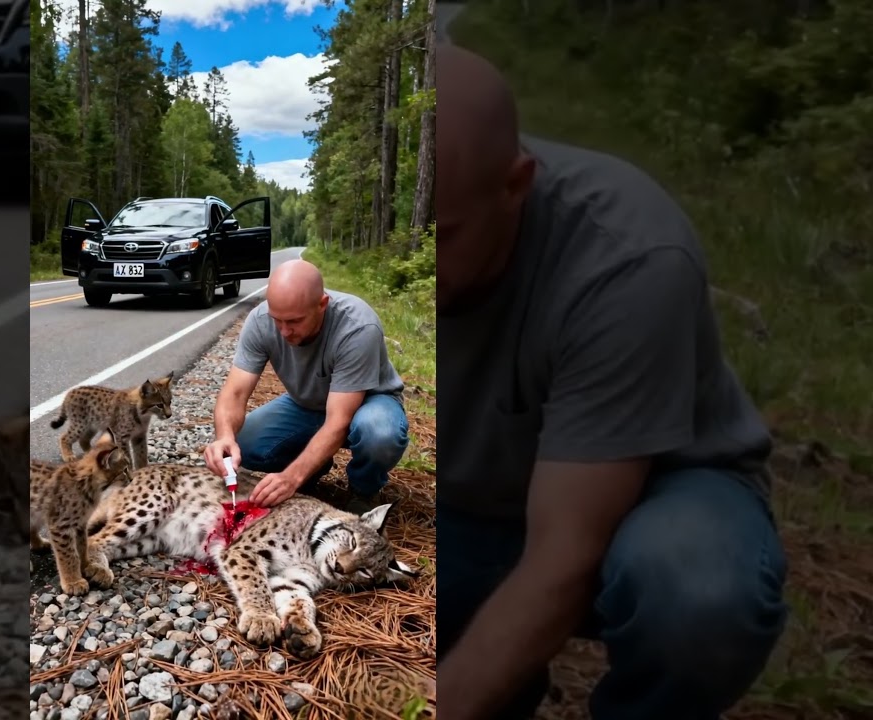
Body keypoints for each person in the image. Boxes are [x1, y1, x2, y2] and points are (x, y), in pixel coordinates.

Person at [432, 43, 790, 720]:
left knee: (696, 593)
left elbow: (566, 551)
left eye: (442, 235)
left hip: (651, 491)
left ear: (516, 186)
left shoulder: (624, 258)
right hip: (475, 500)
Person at [202, 258, 409, 513]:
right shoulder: (260, 321)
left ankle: (364, 489)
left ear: (322, 305)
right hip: (308, 404)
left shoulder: (357, 326)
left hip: (369, 401)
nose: (284, 331)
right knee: (243, 440)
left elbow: (338, 420)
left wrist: (291, 478)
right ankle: (314, 467)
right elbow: (234, 393)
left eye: (294, 321)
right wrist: (224, 436)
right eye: (277, 320)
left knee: (378, 433)